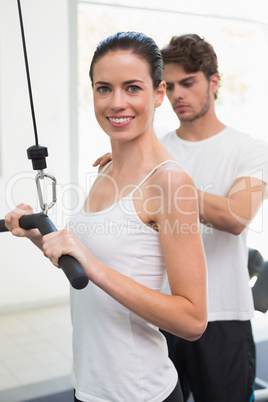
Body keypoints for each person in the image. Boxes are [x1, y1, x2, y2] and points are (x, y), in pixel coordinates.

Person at [5, 32, 208, 402]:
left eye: (132, 88)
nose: (116, 103)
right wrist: (40, 234)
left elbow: (193, 321)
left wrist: (92, 265)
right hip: (92, 387)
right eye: (104, 89)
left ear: (158, 93)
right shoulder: (107, 170)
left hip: (141, 392)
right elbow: (86, 267)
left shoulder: (170, 183)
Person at [94, 34, 268, 402]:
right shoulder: (153, 151)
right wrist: (133, 171)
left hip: (224, 317)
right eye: (169, 86)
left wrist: (158, 181)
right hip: (162, 316)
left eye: (188, 83)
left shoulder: (249, 150)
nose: (177, 96)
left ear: (214, 82)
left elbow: (237, 215)